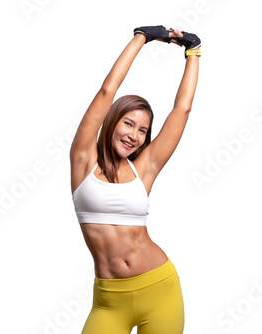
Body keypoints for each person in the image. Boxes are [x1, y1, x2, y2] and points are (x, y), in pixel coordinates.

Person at [70, 25, 201, 334]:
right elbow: (107, 92)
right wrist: (142, 36)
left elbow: (182, 110)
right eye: (128, 123)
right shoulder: (82, 161)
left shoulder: (144, 170)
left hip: (159, 290)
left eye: (142, 130)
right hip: (109, 302)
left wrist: (193, 51)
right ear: (112, 121)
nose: (133, 135)